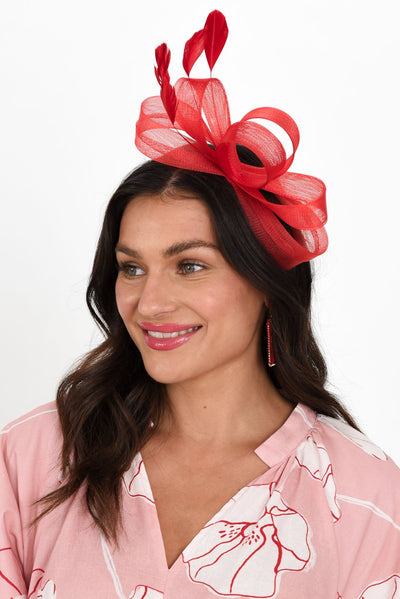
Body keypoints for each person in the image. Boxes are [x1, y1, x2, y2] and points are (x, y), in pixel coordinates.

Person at [1, 10, 399, 599]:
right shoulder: (34, 456)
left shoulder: (364, 496)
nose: (150, 301)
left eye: (190, 265)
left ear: (266, 282)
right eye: (131, 267)